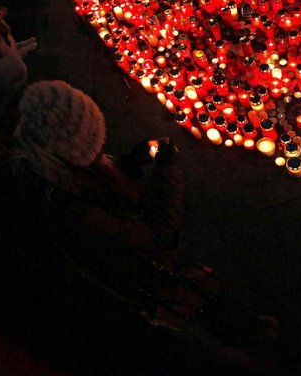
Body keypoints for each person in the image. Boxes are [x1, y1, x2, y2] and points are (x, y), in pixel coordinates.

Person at [10, 81, 183, 288]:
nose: (101, 152)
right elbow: (157, 235)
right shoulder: (80, 208)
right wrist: (167, 168)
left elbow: (106, 178)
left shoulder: (63, 166)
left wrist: (133, 160)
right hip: (133, 268)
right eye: (93, 144)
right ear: (75, 152)